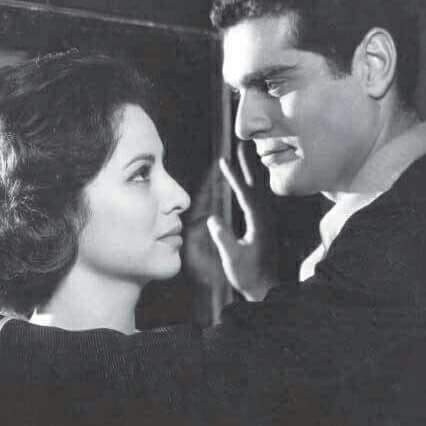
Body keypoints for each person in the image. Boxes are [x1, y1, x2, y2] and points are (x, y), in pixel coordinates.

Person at [204, 0, 426, 424]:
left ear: (374, 65)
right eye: (238, 94)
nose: (244, 125)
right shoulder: (381, 232)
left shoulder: (400, 246)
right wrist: (264, 289)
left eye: (272, 83)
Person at [0, 51, 205, 426]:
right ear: (55, 203)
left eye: (163, 167)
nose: (180, 197)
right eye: (140, 174)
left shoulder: (186, 376)